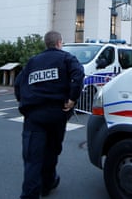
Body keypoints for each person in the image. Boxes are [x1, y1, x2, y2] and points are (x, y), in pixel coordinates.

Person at [14, 31, 85, 198]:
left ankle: (30, 194)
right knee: (51, 151)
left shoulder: (33, 61)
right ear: (59, 43)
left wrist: (23, 101)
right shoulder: (67, 58)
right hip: (57, 114)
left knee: (32, 158)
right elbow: (78, 74)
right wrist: (73, 98)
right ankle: (46, 185)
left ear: (46, 44)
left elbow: (18, 83)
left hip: (34, 115)